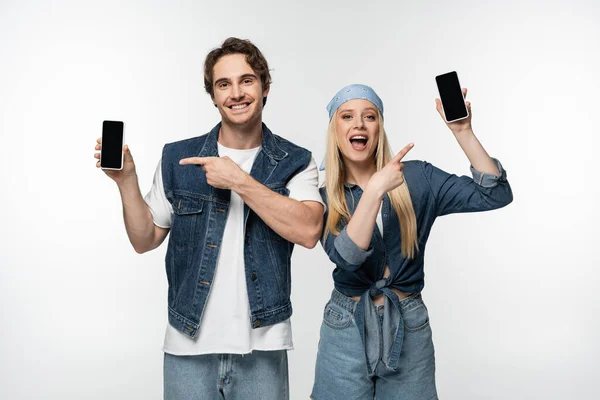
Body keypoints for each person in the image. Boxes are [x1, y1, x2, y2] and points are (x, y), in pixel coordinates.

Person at [94, 37, 325, 400]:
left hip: (262, 346)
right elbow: (144, 240)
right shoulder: (178, 158)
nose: (236, 93)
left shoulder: (296, 161)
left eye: (247, 80)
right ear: (214, 96)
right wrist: (126, 183)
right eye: (223, 84)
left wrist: (239, 181)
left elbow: (310, 229)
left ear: (265, 87)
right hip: (187, 344)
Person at [311, 84, 513, 399]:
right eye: (347, 116)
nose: (359, 124)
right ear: (334, 130)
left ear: (379, 128)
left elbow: (495, 194)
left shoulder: (418, 178)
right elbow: (347, 257)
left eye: (370, 116)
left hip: (408, 324)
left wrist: (463, 132)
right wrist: (376, 189)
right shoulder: (321, 196)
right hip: (345, 327)